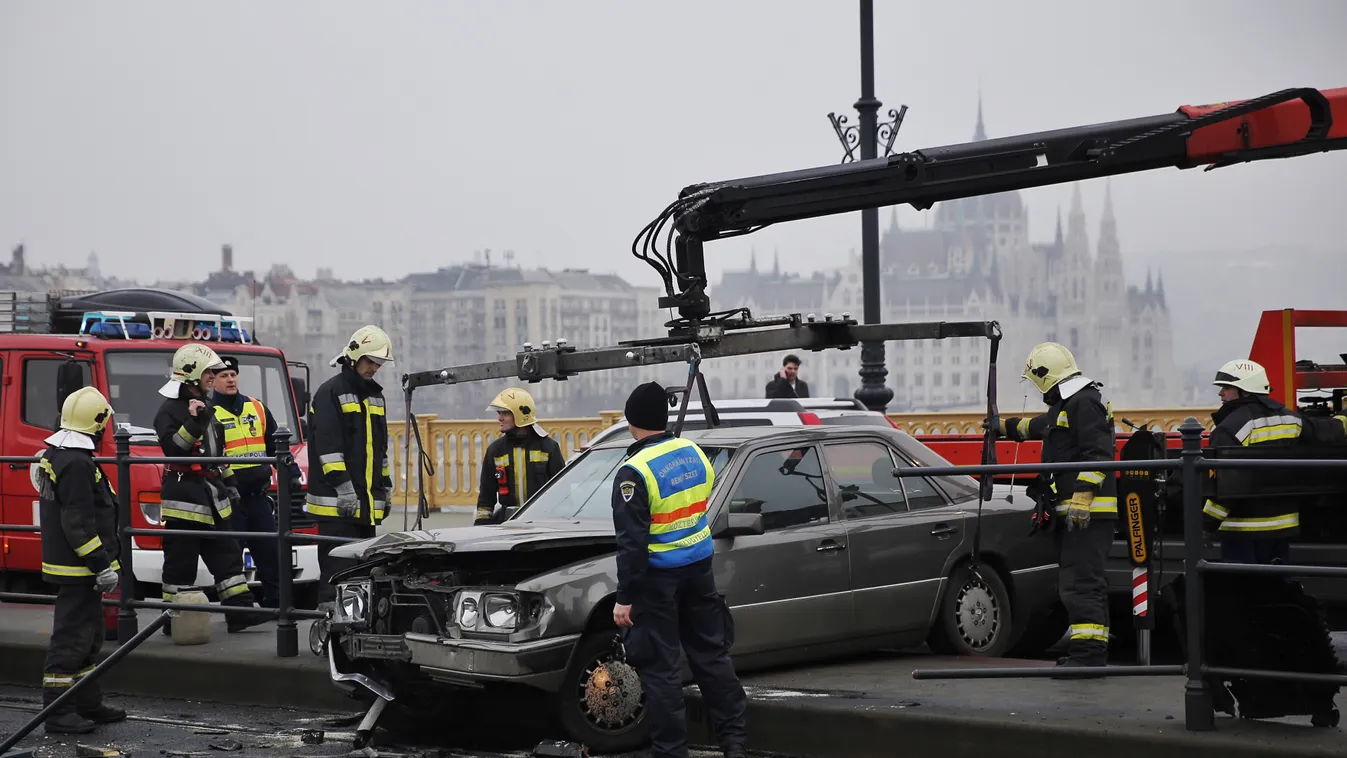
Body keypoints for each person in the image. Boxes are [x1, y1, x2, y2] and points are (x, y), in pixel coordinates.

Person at [610, 381, 747, 758]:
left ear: (630, 419)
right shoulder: (692, 451)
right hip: (699, 568)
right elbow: (700, 502)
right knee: (712, 656)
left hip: (658, 580)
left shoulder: (632, 472)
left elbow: (632, 546)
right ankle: (734, 741)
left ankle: (671, 751)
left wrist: (625, 599)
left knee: (662, 669)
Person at [995, 342, 1117, 673]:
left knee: (1083, 583)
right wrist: (1003, 428)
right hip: (1077, 513)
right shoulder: (1069, 403)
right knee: (1074, 582)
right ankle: (1085, 655)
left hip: (1089, 513)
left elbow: (1099, 453)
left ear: (1045, 376)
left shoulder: (1085, 403)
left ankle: (1089, 657)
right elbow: (1042, 427)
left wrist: (1083, 495)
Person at [155, 343, 269, 632]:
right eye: (209, 372)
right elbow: (174, 450)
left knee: (228, 558)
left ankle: (240, 612)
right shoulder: (169, 411)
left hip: (213, 496)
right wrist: (193, 421)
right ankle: (174, 619)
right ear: (192, 375)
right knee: (181, 565)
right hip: (185, 501)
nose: (213, 376)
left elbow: (220, 455)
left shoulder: (209, 409)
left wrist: (230, 484)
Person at [36, 387, 126, 734]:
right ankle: (58, 712)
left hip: (78, 568)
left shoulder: (64, 455)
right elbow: (78, 521)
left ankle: (87, 702)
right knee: (71, 639)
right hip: (78, 569)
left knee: (89, 637)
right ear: (97, 423)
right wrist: (100, 564)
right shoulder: (75, 463)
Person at [1202, 359, 1347, 564]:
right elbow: (1327, 431)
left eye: (1226, 387)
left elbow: (1226, 487)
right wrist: (1344, 417)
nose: (1221, 393)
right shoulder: (1290, 419)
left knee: (1241, 591)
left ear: (1245, 391)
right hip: (1282, 530)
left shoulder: (1230, 429)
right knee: (1279, 589)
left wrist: (1205, 525)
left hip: (1243, 533)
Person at [306, 325, 393, 606]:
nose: (374, 368)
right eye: (370, 362)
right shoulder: (329, 392)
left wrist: (385, 488)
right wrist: (343, 488)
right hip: (337, 504)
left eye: (378, 364)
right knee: (336, 572)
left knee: (361, 571)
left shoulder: (376, 396)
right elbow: (328, 447)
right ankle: (328, 629)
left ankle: (355, 630)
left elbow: (380, 450)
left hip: (364, 504)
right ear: (354, 357)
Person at [211, 355, 301, 608]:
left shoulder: (256, 407)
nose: (230, 379)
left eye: (233, 375)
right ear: (213, 381)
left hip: (258, 498)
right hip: (230, 499)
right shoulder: (209, 413)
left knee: (271, 554)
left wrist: (292, 472)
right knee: (231, 559)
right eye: (223, 376)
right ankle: (238, 612)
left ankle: (279, 606)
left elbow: (276, 444)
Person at [475, 387, 564, 525]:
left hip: (542, 523)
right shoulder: (495, 450)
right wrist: (481, 526)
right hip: (508, 523)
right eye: (499, 413)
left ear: (521, 415)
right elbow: (486, 496)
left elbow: (562, 493)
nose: (500, 418)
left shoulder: (548, 448)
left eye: (505, 413)